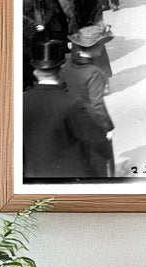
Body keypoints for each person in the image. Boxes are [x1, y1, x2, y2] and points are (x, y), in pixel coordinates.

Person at [23, 39, 112, 180]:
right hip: (70, 176)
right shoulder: (71, 103)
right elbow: (97, 141)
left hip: (35, 176)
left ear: (35, 72)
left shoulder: (22, 101)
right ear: (61, 71)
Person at [61, 25, 115, 136]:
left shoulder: (69, 63)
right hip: (91, 123)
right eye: (100, 45)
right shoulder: (93, 72)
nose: (101, 48)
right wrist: (108, 127)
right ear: (91, 48)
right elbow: (97, 104)